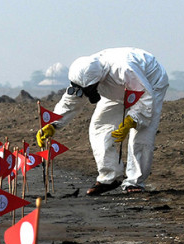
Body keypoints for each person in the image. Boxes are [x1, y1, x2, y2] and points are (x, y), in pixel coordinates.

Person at [36, 47, 169, 195]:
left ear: (96, 82)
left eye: (88, 90)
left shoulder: (123, 69)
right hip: (116, 91)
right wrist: (53, 124)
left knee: (141, 134)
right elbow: (71, 101)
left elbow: (145, 97)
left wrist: (132, 120)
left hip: (150, 84)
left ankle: (135, 182)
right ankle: (110, 177)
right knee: (99, 127)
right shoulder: (86, 74)